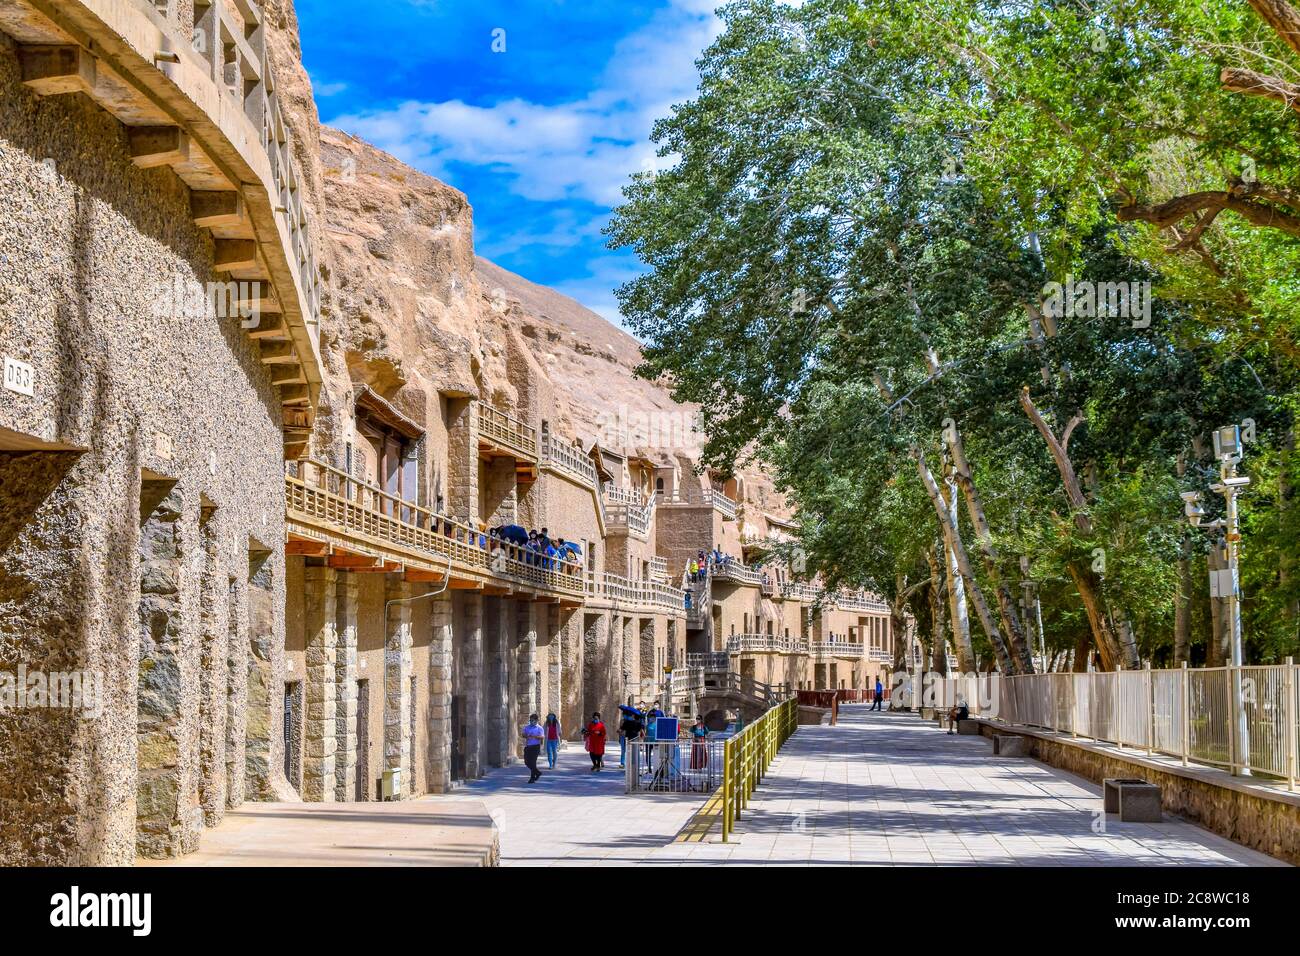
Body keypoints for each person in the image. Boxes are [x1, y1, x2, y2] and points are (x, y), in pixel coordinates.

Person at [521, 713, 546, 783]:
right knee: (527, 762)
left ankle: (532, 778)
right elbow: (523, 734)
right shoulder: (527, 727)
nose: (532, 722)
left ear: (536, 720)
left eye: (533, 720)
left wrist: (535, 736)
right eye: (531, 720)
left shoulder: (539, 728)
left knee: (533, 762)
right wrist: (526, 735)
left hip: (535, 747)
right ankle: (537, 772)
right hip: (528, 746)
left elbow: (542, 737)